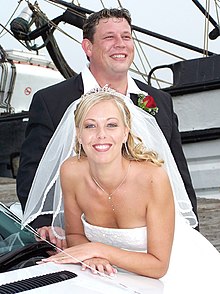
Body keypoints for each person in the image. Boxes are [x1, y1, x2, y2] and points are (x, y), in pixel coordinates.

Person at [17, 8, 198, 232]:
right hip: (80, 232)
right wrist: (44, 225)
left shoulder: (158, 100)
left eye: (126, 37)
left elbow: (178, 172)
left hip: (157, 231)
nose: (120, 44)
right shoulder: (51, 101)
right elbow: (33, 173)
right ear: (88, 47)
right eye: (109, 37)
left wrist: (191, 231)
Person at [22, 88, 220, 284]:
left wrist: (97, 249)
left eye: (112, 125)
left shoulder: (152, 179)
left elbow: (159, 266)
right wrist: (93, 257)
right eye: (90, 126)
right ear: (78, 135)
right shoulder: (71, 172)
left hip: (177, 272)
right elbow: (74, 234)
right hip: (110, 275)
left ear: (126, 132)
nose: (101, 135)